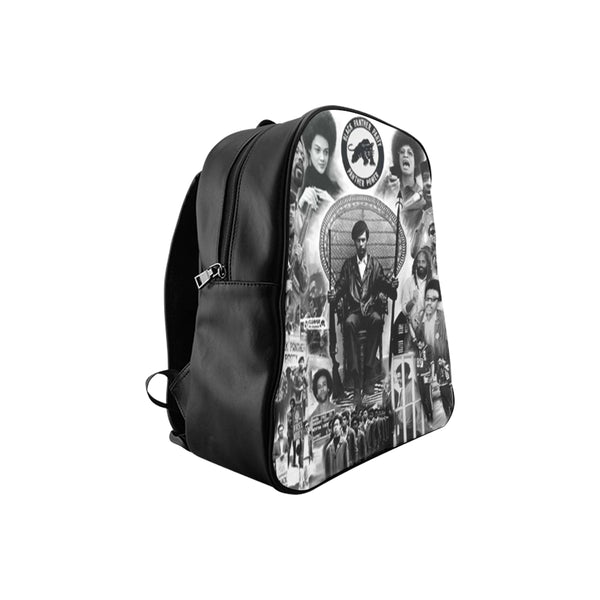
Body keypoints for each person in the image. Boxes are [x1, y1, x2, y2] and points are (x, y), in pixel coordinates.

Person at [328, 220, 399, 401]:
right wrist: (333, 294)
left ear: (367, 240)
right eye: (358, 240)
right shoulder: (348, 266)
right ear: (354, 241)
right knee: (349, 323)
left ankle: (368, 373)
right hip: (354, 311)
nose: (361, 244)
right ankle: (356, 379)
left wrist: (392, 285)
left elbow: (387, 287)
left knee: (377, 320)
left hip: (370, 310)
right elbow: (340, 287)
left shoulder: (375, 265)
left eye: (363, 240)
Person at [379, 131, 432, 241]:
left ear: (415, 161)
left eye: (410, 153)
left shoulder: (422, 198)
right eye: (402, 152)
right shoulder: (388, 187)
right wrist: (389, 195)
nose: (405, 155)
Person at [414, 279, 453, 422]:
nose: (429, 303)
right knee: (425, 397)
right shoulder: (419, 319)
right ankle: (429, 418)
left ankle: (449, 415)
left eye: (434, 299)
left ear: (439, 302)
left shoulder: (442, 318)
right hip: (425, 367)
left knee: (446, 396)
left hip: (441, 365)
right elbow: (414, 343)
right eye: (427, 299)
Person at [297, 110, 341, 217]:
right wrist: (300, 204)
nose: (322, 158)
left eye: (326, 152)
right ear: (309, 149)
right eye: (317, 150)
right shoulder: (299, 181)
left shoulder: (334, 188)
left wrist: (332, 204)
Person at [399, 248, 434, 339]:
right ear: (415, 264)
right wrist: (413, 301)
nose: (420, 265)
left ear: (427, 264)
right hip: (412, 330)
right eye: (418, 262)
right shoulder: (409, 283)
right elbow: (404, 311)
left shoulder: (433, 283)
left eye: (423, 262)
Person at [324, 415, 349, 479]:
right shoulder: (328, 448)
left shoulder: (344, 443)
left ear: (340, 426)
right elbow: (327, 471)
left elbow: (346, 463)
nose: (335, 427)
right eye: (334, 425)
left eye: (337, 424)